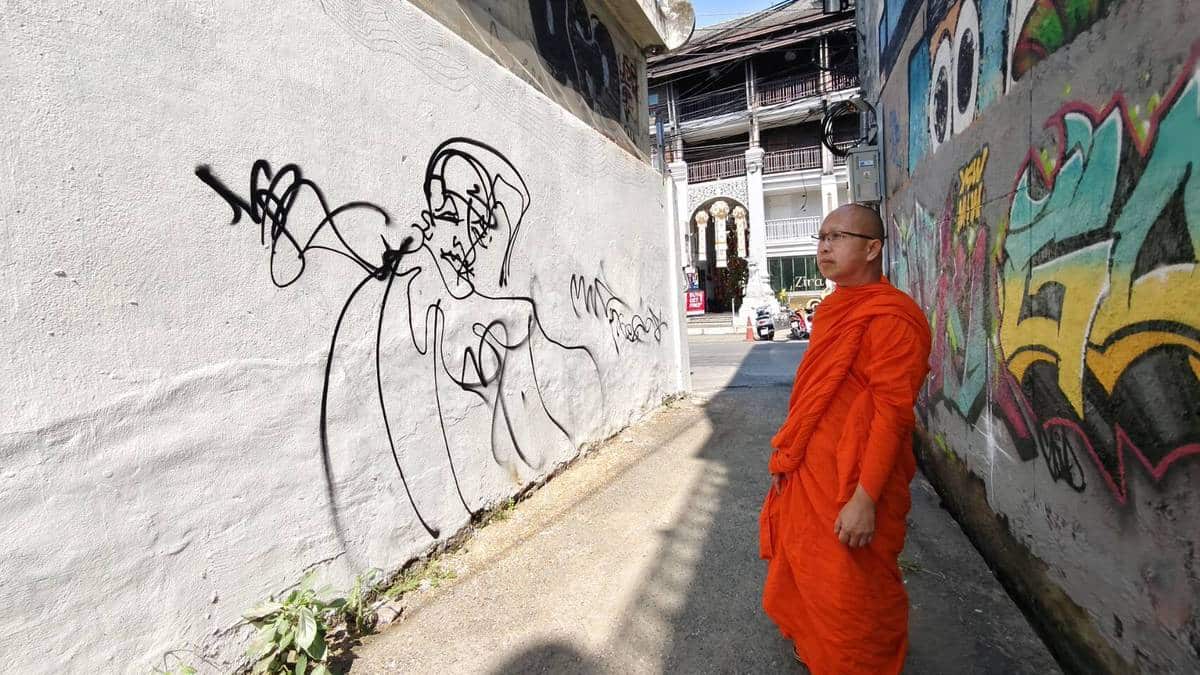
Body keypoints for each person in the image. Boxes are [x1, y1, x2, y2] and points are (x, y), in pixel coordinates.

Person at [759, 203, 932, 674]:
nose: (824, 247)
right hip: (813, 469)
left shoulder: (891, 317)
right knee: (810, 571)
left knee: (853, 586)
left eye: (837, 237)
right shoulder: (834, 308)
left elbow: (891, 415)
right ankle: (818, 649)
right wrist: (788, 459)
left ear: (872, 248)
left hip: (854, 481)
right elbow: (813, 397)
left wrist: (865, 499)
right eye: (821, 237)